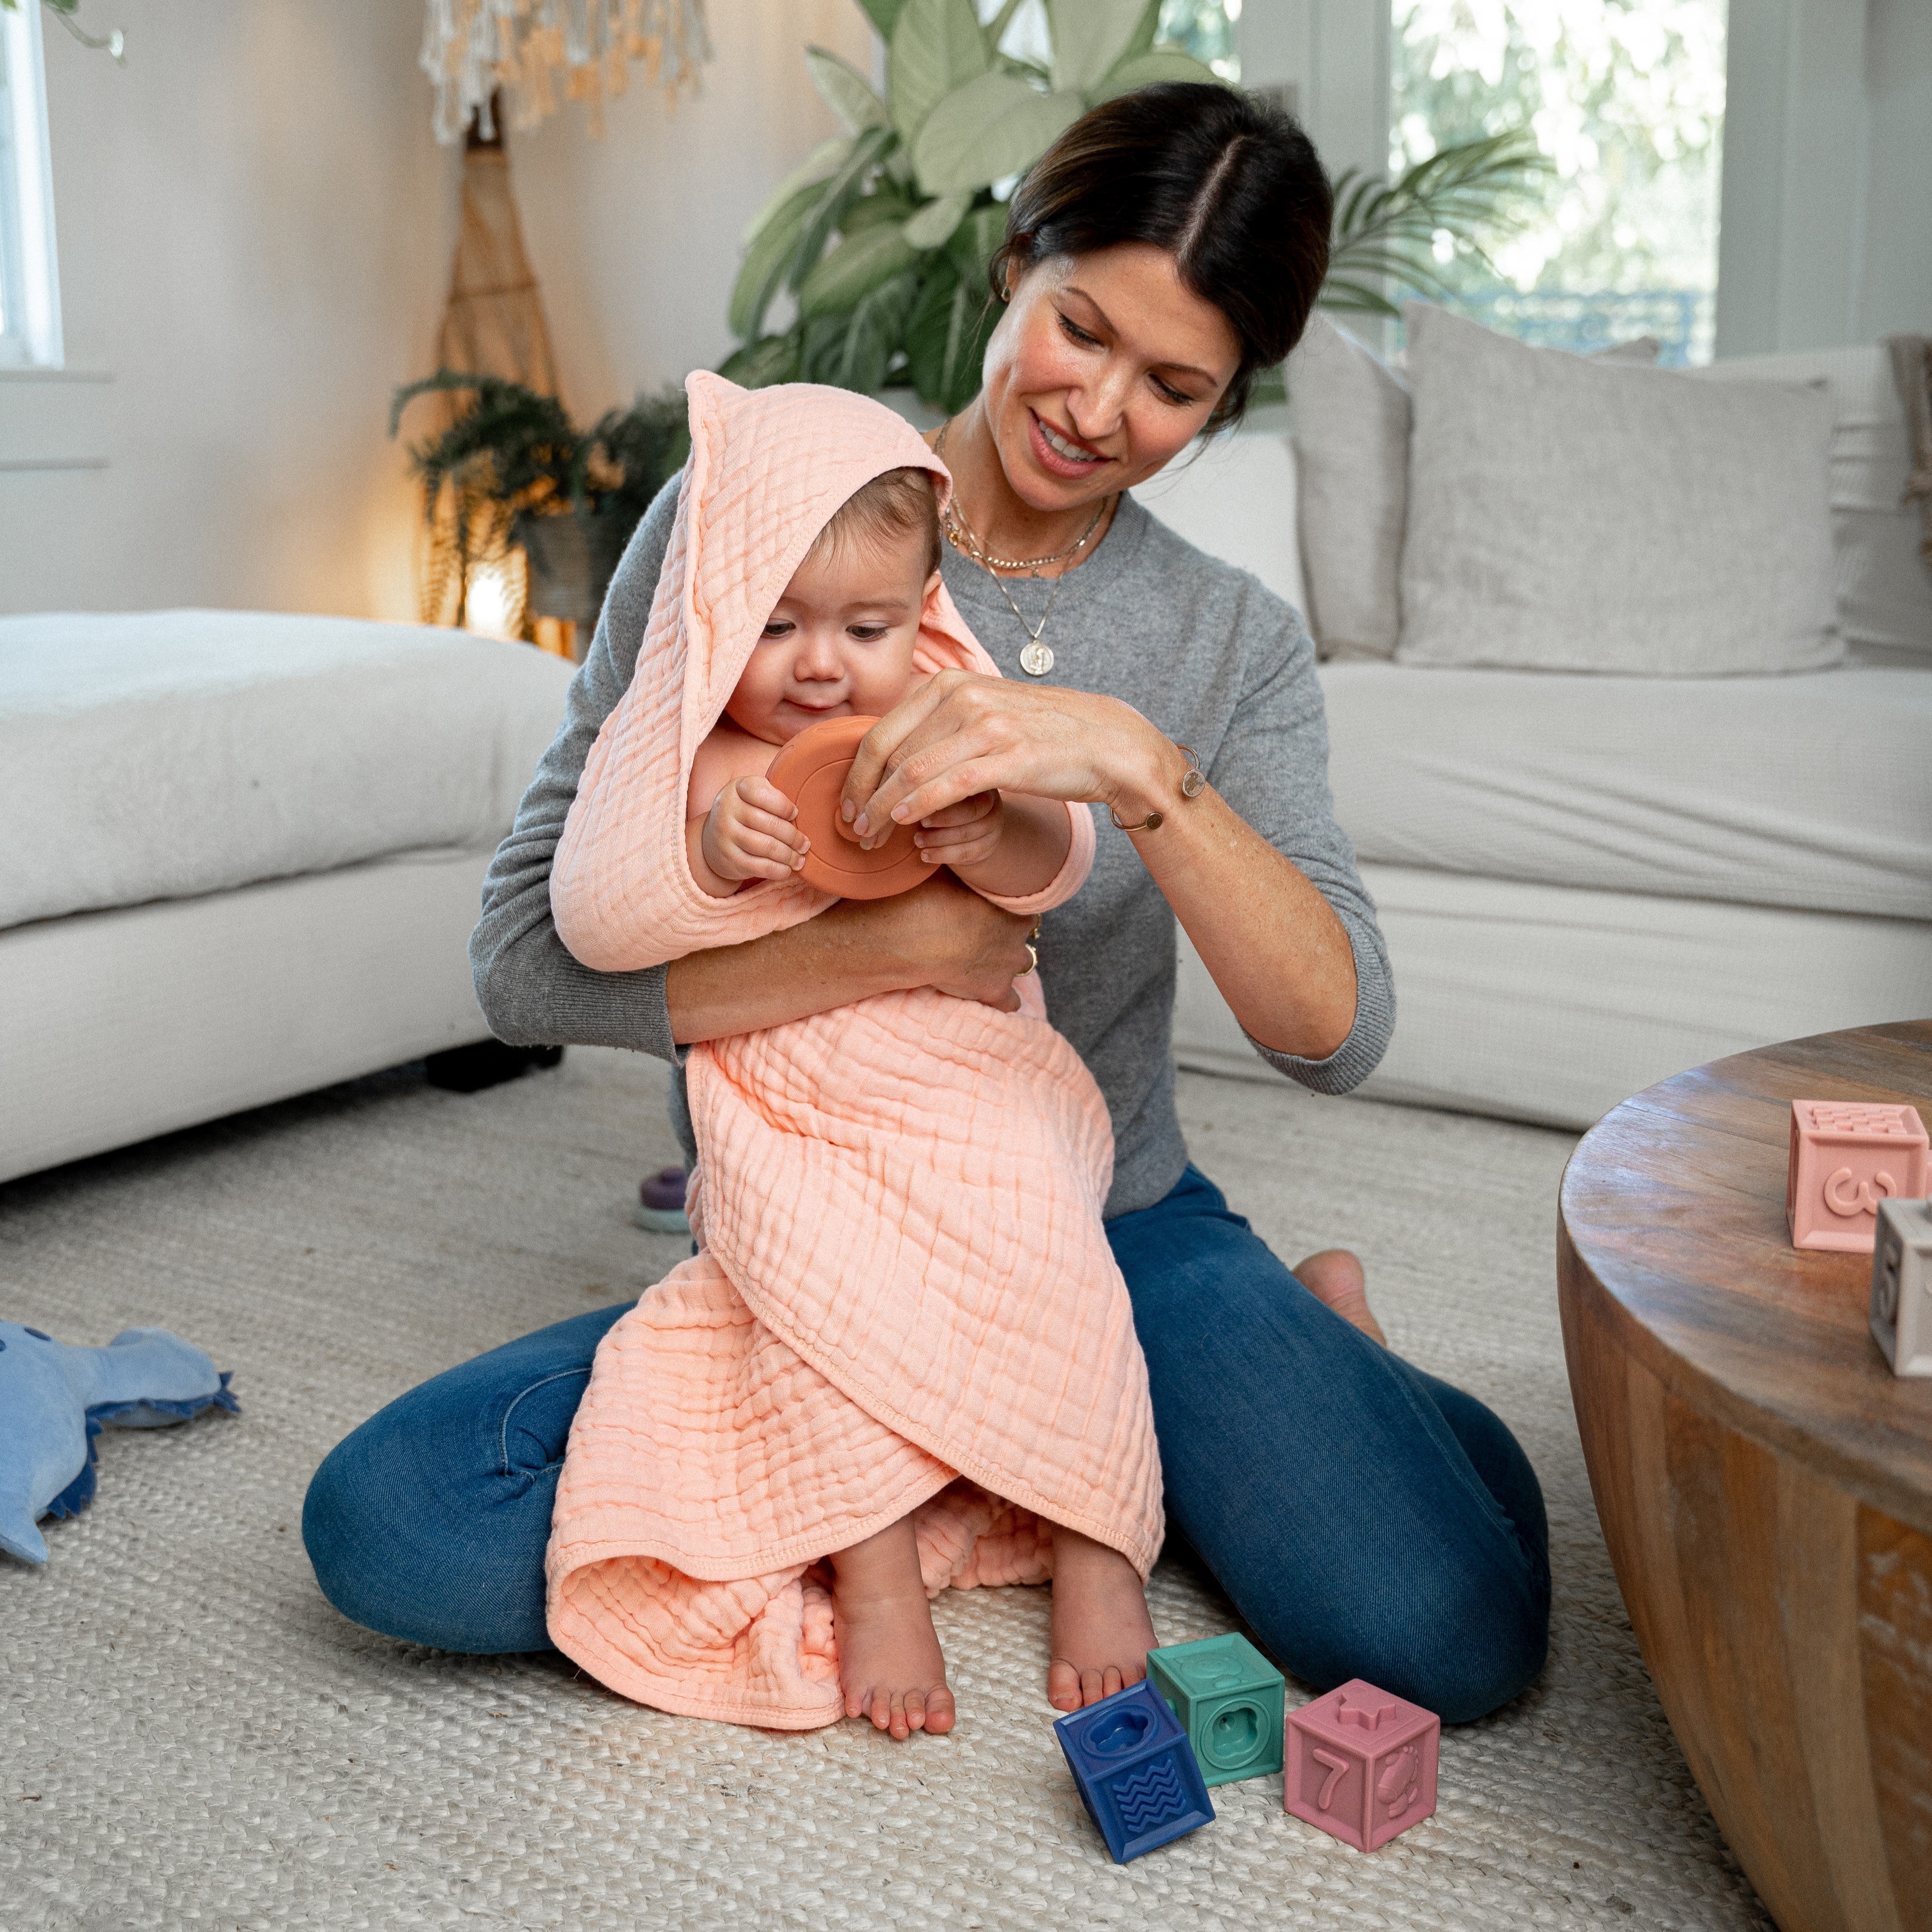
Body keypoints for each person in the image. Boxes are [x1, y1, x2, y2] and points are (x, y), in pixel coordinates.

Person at [304, 83, 1550, 1726]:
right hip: (811, 1225)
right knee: (394, 1529)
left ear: (1232, 399)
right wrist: (890, 946)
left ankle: (1328, 1354)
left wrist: (1133, 766)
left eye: (1173, 385)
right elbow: (522, 961)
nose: (1098, 408)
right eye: (1079, 326)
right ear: (1015, 260)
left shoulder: (1227, 641)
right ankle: (1116, 1421)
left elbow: (1338, 1034)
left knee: (1440, 1626)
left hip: (1104, 1226)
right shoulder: (757, 514)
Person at [539, 385, 1163, 1740]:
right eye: (776, 625)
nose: (821, 667)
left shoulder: (945, 707)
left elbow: (1060, 859)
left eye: (868, 629)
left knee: (1047, 1230)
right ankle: (876, 1568)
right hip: (793, 1096)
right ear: (715, 615)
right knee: (802, 1290)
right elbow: (589, 914)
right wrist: (706, 856)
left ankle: (1097, 1536)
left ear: (924, 618)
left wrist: (979, 836)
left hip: (960, 1072)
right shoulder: (699, 747)